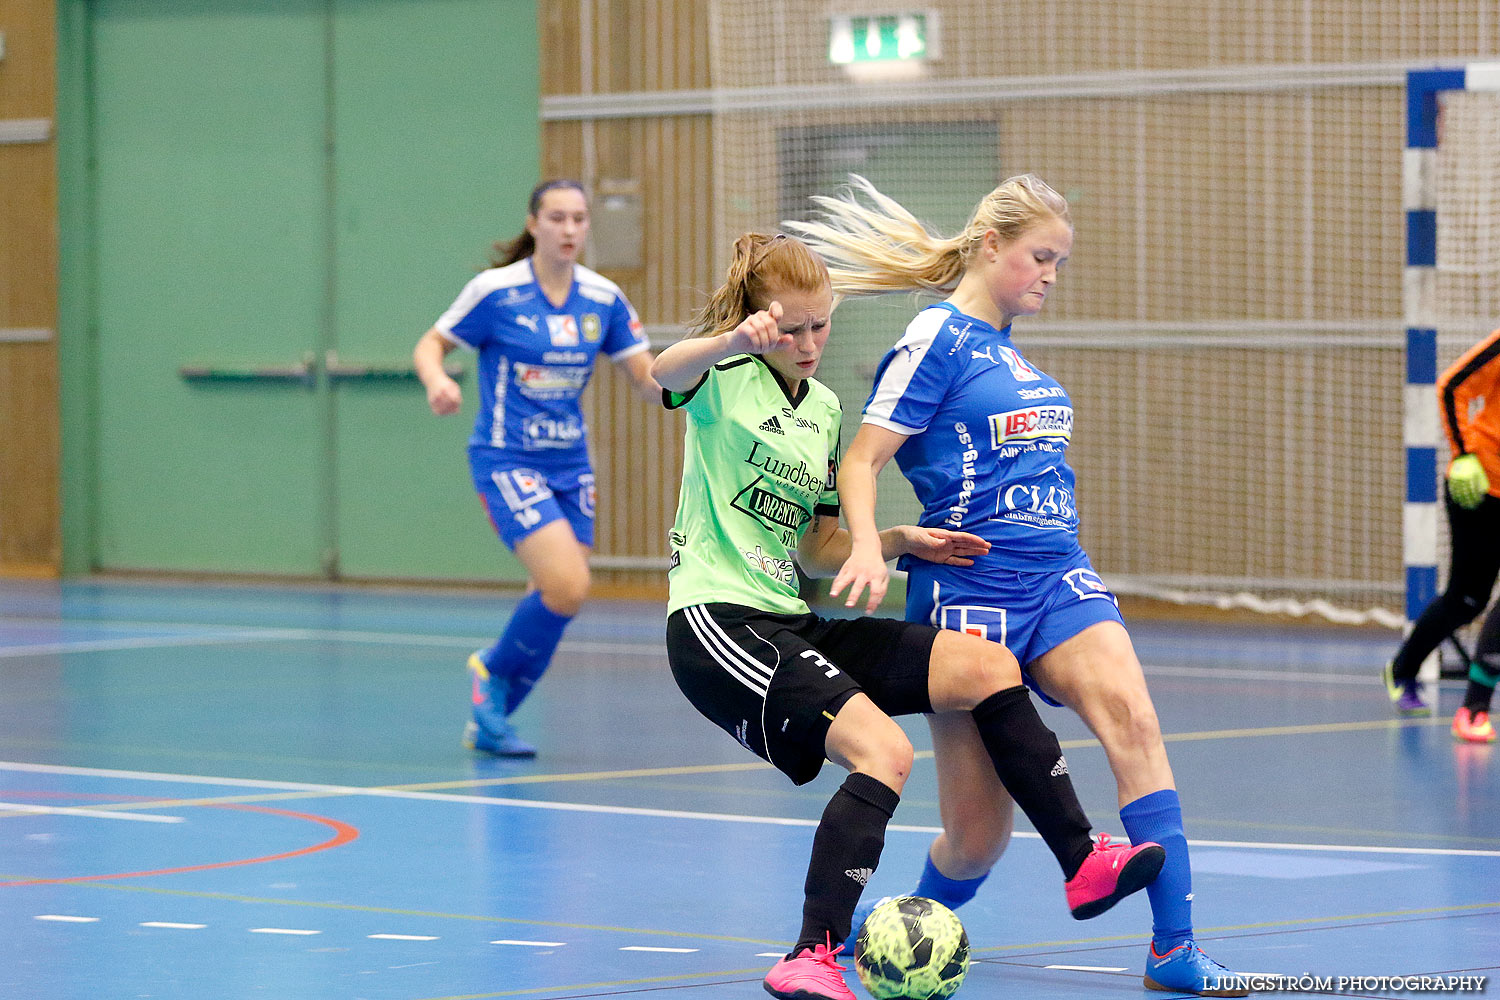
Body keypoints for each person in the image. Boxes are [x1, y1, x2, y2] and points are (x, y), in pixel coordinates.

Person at [653, 232, 1164, 1000]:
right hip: (718, 623)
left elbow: (818, 546)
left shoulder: (821, 408)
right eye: (790, 329)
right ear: (760, 323)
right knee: (885, 752)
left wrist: (890, 541)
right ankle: (811, 953)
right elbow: (659, 374)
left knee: (985, 663)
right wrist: (729, 339)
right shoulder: (720, 377)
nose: (807, 343)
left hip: (788, 617)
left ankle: (1083, 859)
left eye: (820, 326)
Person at [786, 174, 1249, 996]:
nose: (1051, 276)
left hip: (1060, 575)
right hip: (973, 591)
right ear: (991, 245)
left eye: (1060, 263)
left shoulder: (1010, 354)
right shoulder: (938, 338)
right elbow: (860, 459)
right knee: (976, 838)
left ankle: (1173, 948)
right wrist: (868, 545)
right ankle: (891, 937)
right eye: (1041, 257)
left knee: (1136, 723)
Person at [414, 179, 659, 758]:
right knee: (568, 585)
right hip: (507, 458)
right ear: (533, 223)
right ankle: (490, 671)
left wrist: (717, 361)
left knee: (557, 599)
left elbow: (648, 380)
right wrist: (438, 380)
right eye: (557, 218)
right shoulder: (496, 292)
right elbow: (432, 343)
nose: (570, 229)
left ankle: (491, 717)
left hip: (571, 466)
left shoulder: (603, 299)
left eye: (579, 219)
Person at [1384, 326, 1500, 743]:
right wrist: (1464, 454)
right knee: (1466, 600)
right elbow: (1452, 386)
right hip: (1481, 488)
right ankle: (1403, 669)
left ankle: (1473, 708)